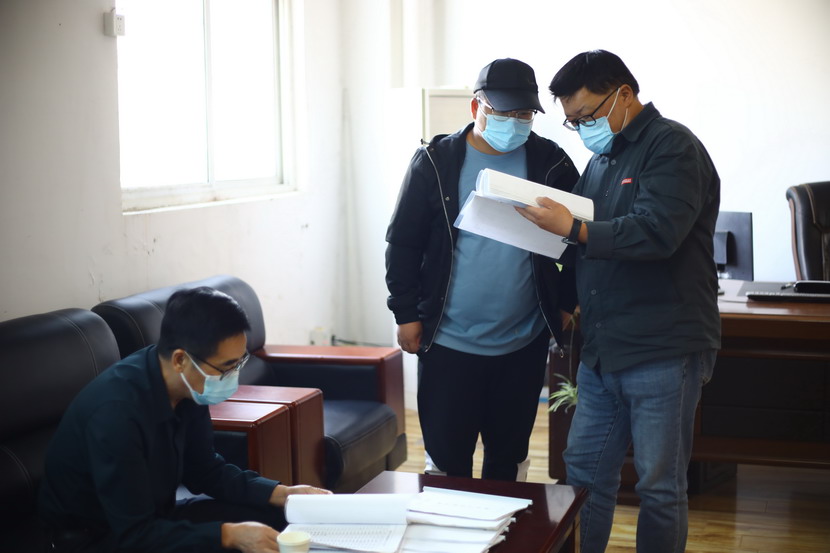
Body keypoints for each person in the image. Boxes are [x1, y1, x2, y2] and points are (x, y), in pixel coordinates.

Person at [517, 50, 721, 553]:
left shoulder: (672, 147)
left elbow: (657, 232)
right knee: (584, 474)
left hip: (663, 348)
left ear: (624, 95)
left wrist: (574, 227)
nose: (582, 129)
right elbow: (585, 241)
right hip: (603, 350)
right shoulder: (601, 161)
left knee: (658, 486)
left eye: (587, 116)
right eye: (573, 122)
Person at [385, 58, 580, 481]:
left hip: (522, 343)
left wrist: (565, 303)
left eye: (524, 115)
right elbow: (403, 243)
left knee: (507, 461)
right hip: (447, 341)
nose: (515, 123)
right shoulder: (436, 161)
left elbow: (578, 240)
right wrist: (405, 314)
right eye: (504, 113)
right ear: (477, 108)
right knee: (447, 463)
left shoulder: (551, 163)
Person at [39, 287, 330, 553]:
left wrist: (281, 493)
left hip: (157, 519)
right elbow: (134, 534)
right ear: (180, 359)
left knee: (274, 515)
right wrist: (228, 535)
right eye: (226, 367)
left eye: (239, 362)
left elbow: (204, 470)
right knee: (239, 540)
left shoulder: (186, 385)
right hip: (100, 538)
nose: (234, 376)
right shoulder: (116, 415)